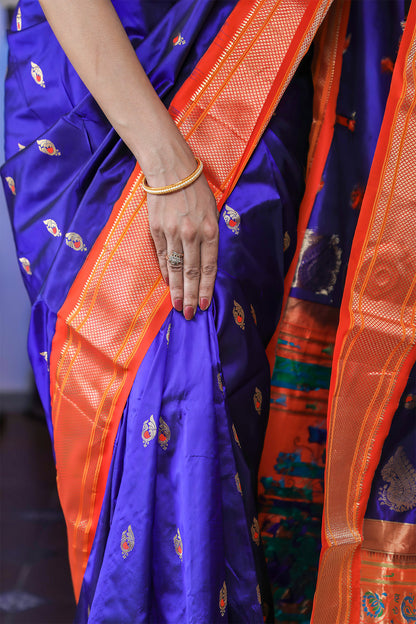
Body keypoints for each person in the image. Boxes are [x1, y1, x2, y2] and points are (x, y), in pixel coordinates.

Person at [2, 1, 415, 623]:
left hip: (253, 65)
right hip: (93, 93)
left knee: (206, 381)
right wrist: (165, 164)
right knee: (142, 403)